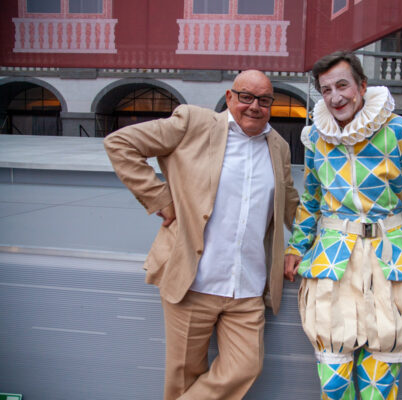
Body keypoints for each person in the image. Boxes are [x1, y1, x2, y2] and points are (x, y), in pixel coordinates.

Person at [104, 70, 299, 400]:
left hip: (247, 288)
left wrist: (308, 242)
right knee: (183, 378)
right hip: (193, 281)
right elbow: (120, 144)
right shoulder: (194, 123)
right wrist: (159, 198)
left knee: (245, 367)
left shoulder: (278, 146)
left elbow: (291, 201)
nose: (255, 106)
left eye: (264, 100)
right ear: (230, 97)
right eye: (246, 97)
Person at [283, 51, 402, 400]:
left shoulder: (400, 131)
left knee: (379, 382)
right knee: (334, 382)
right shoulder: (316, 137)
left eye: (342, 85)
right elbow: (311, 199)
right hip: (333, 259)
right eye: (326, 90)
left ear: (362, 86)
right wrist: (296, 247)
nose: (335, 97)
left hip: (389, 258)